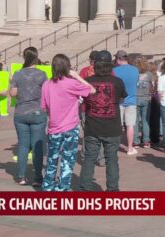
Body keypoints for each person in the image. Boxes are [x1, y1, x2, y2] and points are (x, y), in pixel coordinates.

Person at [41, 54, 96, 191]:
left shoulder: (47, 84)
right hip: (70, 127)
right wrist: (76, 76)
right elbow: (92, 90)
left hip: (54, 127)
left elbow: (44, 107)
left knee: (52, 160)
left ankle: (48, 187)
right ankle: (62, 187)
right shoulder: (72, 83)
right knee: (67, 160)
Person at [79, 50, 127, 192]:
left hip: (93, 126)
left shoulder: (88, 82)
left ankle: (85, 188)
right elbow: (122, 98)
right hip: (112, 127)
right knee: (111, 159)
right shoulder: (117, 82)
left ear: (95, 65)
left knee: (89, 159)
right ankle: (112, 189)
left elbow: (83, 100)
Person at [10, 47, 47, 186]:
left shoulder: (18, 74)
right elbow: (47, 91)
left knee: (23, 145)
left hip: (21, 113)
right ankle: (37, 177)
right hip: (37, 112)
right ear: (36, 58)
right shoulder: (42, 74)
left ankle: (21, 176)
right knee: (37, 145)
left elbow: (13, 93)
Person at [113, 50, 140, 155]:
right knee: (130, 125)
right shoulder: (135, 70)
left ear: (119, 59)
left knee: (117, 126)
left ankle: (115, 147)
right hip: (131, 100)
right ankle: (129, 148)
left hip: (119, 100)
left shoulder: (114, 71)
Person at [133, 56, 153, 149]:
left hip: (136, 98)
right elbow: (152, 86)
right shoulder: (149, 74)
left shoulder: (134, 73)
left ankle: (136, 141)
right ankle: (146, 141)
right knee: (145, 121)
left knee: (136, 121)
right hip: (146, 98)